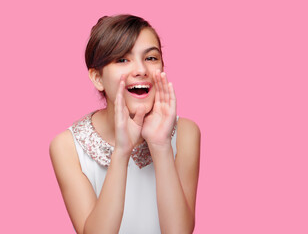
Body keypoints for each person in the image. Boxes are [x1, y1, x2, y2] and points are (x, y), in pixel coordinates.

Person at [49, 14, 200, 234]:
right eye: (122, 59)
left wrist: (160, 146)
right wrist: (121, 152)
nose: (141, 70)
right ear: (97, 78)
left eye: (151, 58)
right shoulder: (67, 146)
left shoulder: (186, 133)